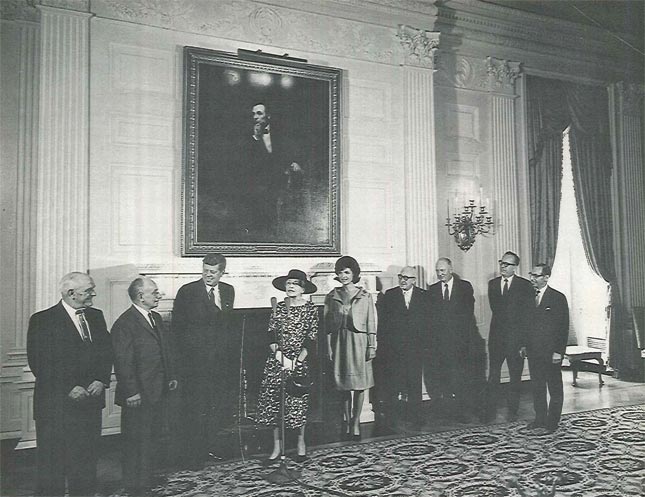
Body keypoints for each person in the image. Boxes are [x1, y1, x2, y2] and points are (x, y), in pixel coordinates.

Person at [26, 272, 113, 496]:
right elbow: (39, 362)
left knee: (85, 463)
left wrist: (101, 380)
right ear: (71, 293)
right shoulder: (42, 320)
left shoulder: (96, 316)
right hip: (56, 407)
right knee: (52, 466)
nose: (94, 293)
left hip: (89, 403)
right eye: (89, 290)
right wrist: (68, 387)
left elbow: (106, 352)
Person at [112, 277, 178, 495]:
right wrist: (131, 392)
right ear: (141, 296)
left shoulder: (155, 317)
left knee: (150, 436)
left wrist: (170, 376)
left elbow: (163, 350)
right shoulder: (125, 323)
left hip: (157, 390)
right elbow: (123, 361)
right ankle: (134, 485)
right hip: (137, 394)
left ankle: (146, 478)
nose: (159, 295)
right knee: (135, 439)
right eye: (155, 292)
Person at [171, 253, 235, 464]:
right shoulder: (187, 292)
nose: (208, 275)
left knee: (214, 408)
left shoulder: (228, 291)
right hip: (193, 365)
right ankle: (193, 454)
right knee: (194, 409)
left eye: (213, 272)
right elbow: (177, 330)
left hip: (219, 364)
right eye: (205, 270)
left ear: (222, 272)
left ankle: (211, 448)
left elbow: (226, 327)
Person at [255, 269, 318, 464]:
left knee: (297, 406)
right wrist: (280, 357)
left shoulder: (310, 310)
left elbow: (311, 339)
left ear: (303, 289)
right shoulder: (279, 308)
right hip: (277, 363)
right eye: (288, 283)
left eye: (295, 284)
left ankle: (301, 444)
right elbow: (271, 335)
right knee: (275, 405)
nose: (290, 286)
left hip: (298, 364)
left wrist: (296, 361)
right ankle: (277, 447)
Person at [325, 255, 377, 440]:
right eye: (340, 273)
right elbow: (327, 325)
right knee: (344, 386)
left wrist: (372, 345)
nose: (343, 276)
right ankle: (347, 421)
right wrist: (329, 348)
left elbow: (371, 320)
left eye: (346, 272)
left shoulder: (365, 295)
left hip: (359, 342)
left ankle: (355, 423)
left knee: (360, 385)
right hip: (340, 342)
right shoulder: (332, 296)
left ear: (354, 273)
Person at [376, 265, 429, 426]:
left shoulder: (424, 296)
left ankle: (416, 415)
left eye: (406, 278)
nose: (403, 280)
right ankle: (392, 417)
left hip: (415, 349)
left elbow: (429, 324)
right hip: (395, 349)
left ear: (414, 280)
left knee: (414, 382)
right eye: (401, 277)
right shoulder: (390, 295)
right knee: (393, 382)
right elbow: (383, 324)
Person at [485, 251, 534, 422]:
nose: (503, 267)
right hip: (496, 339)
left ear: (515, 267)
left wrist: (524, 343)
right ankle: (490, 409)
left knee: (515, 376)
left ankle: (513, 410)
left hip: (516, 341)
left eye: (507, 264)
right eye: (501, 263)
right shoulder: (492, 284)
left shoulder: (525, 286)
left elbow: (528, 317)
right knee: (493, 375)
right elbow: (496, 311)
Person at [426, 258, 476, 422]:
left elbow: (467, 315)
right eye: (438, 271)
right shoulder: (432, 290)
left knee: (460, 378)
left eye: (443, 270)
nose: (440, 274)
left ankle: (460, 412)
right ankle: (446, 412)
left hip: (460, 343)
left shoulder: (465, 287)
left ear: (451, 269)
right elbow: (431, 318)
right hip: (440, 345)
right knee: (443, 378)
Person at [522, 263, 570, 434]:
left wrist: (559, 351)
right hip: (534, 352)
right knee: (537, 387)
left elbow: (563, 327)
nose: (532, 279)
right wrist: (524, 345)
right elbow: (526, 325)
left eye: (536, 276)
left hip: (551, 353)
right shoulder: (528, 298)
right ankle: (540, 419)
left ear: (546, 277)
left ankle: (553, 421)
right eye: (531, 275)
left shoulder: (558, 298)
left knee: (554, 387)